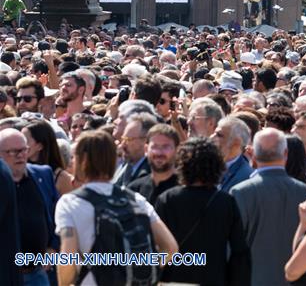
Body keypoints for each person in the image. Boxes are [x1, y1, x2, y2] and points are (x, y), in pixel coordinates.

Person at [54, 130, 178, 286]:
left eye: (74, 157)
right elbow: (170, 247)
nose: (72, 162)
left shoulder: (70, 203)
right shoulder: (136, 199)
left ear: (83, 160)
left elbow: (68, 257)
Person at [154, 136, 251, 285]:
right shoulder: (226, 201)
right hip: (213, 279)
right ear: (217, 165)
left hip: (172, 280)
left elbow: (155, 248)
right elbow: (239, 252)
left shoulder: (167, 199)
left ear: (182, 164)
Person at [231, 128, 306, 286]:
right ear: (285, 153)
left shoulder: (240, 192)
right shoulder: (305, 192)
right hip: (295, 279)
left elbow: (231, 244)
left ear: (253, 154)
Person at [0, 128, 58, 286]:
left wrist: (53, 248)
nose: (20, 155)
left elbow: (57, 215)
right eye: (12, 152)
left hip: (37, 273)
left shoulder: (43, 175)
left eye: (24, 150)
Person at [126, 123, 180, 205]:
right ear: (146, 150)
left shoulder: (186, 189)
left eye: (166, 147)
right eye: (154, 147)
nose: (159, 153)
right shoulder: (135, 190)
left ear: (177, 150)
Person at [24, 119, 75, 195]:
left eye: (25, 140)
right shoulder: (19, 171)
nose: (21, 145)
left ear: (40, 146)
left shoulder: (61, 178)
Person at [112, 113, 154, 186]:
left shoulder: (149, 175)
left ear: (145, 141)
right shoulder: (125, 166)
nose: (123, 145)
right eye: (123, 139)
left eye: (128, 139)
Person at [213, 116, 253, 191]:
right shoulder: (207, 165)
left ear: (236, 143)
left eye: (219, 135)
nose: (211, 137)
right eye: (214, 133)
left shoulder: (245, 177)